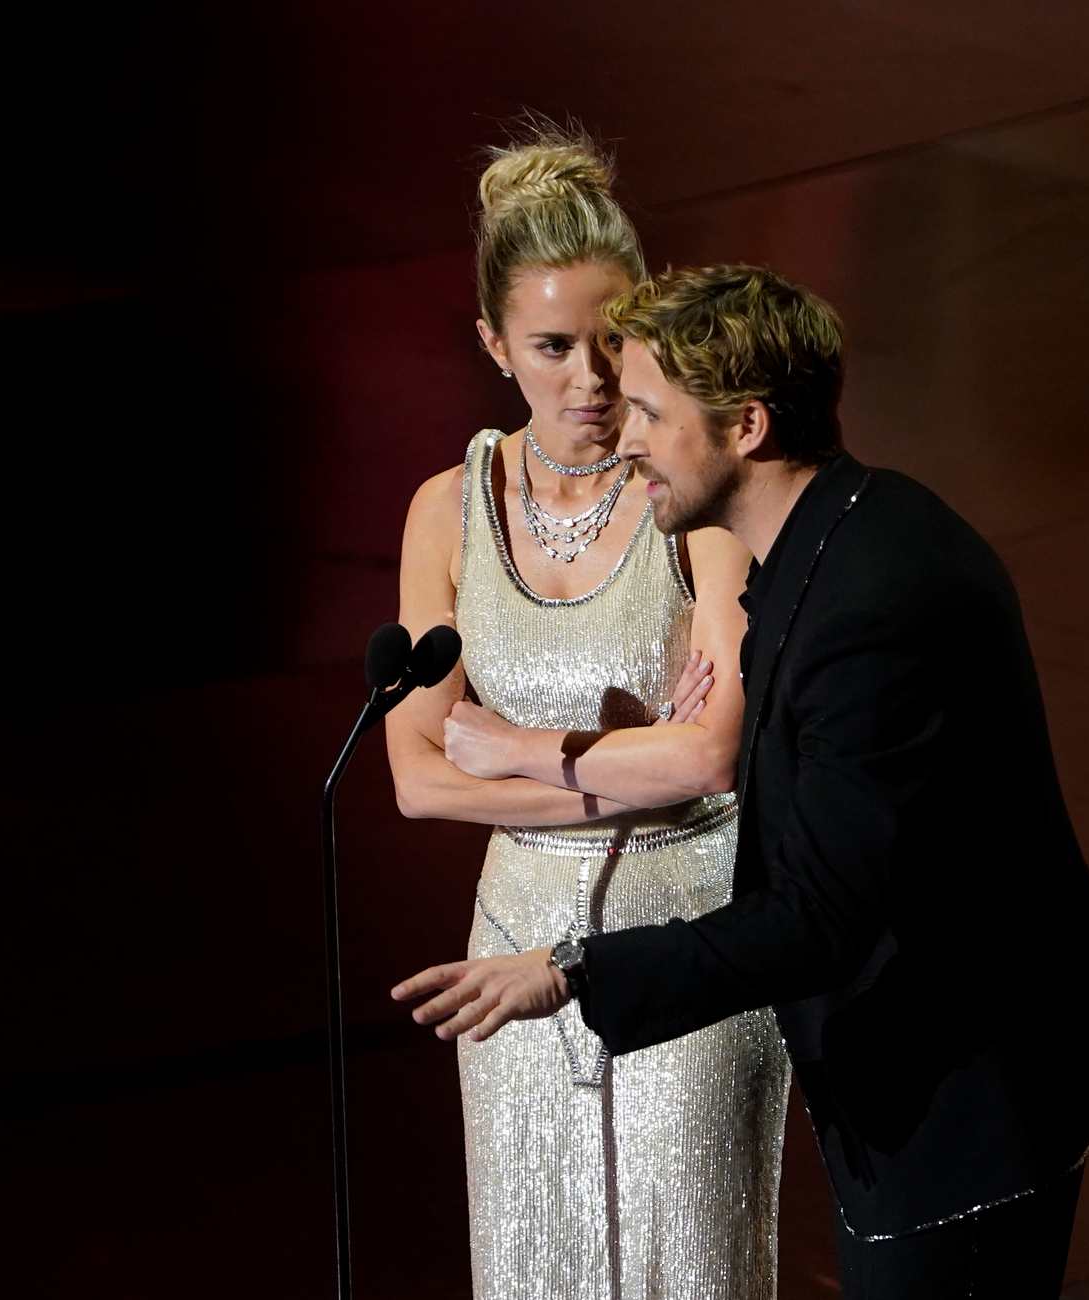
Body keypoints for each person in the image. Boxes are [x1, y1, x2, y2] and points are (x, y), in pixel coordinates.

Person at [394, 264, 1089, 1298]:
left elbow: (821, 916)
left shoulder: (867, 611)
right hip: (932, 1080)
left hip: (960, 1102)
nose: (625, 438)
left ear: (746, 427)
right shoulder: (839, 545)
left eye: (654, 414)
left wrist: (574, 969)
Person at [384, 134, 789, 1300]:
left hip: (685, 946)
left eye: (614, 342)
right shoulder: (445, 511)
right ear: (494, 345)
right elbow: (415, 777)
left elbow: (715, 754)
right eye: (553, 347)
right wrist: (635, 761)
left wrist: (519, 748)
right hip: (506, 949)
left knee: (691, 1271)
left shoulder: (694, 491)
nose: (591, 379)